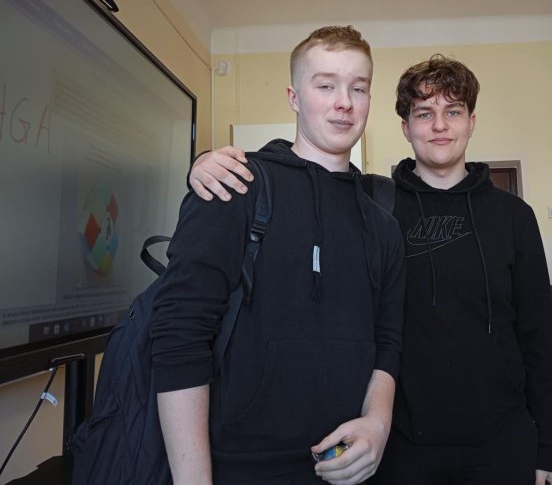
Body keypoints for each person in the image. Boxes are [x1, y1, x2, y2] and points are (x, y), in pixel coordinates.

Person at [190, 54, 552, 484]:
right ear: (406, 127)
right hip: (398, 445)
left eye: (453, 112)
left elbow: (538, 336)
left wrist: (547, 448)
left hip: (500, 442)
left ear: (471, 122)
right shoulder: (370, 203)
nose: (439, 126)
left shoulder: (513, 216)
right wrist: (206, 163)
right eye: (424, 113)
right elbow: (301, 176)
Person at [151, 25, 406, 485]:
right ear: (294, 97)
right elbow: (179, 333)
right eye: (325, 85)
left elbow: (388, 342)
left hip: (350, 467)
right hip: (239, 468)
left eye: (358, 88)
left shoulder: (383, 221)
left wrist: (378, 423)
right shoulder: (235, 185)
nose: (344, 102)